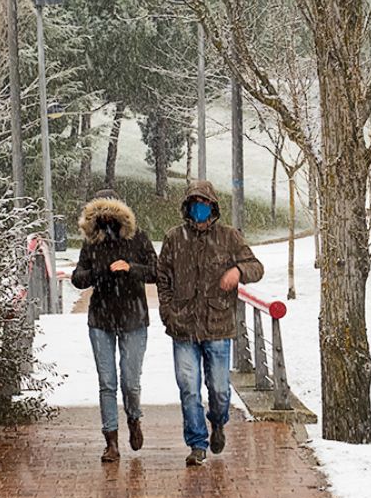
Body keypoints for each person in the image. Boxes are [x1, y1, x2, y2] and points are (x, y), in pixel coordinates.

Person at [157, 180, 264, 466]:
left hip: (218, 325)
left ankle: (217, 422)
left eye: (204, 204)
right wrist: (167, 311)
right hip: (183, 326)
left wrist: (238, 270)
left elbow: (256, 268)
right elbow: (163, 277)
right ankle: (197, 443)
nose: (199, 210)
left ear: (212, 207)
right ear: (188, 208)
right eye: (195, 205)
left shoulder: (229, 237)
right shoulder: (174, 238)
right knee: (188, 387)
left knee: (218, 388)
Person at [70, 188, 158, 463]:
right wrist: (102, 272)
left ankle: (134, 418)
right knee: (107, 382)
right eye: (101, 215)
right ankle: (111, 440)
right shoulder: (91, 243)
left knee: (130, 381)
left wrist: (131, 268)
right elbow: (78, 278)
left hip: (133, 318)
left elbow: (156, 272)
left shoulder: (138, 238)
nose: (106, 220)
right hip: (101, 320)